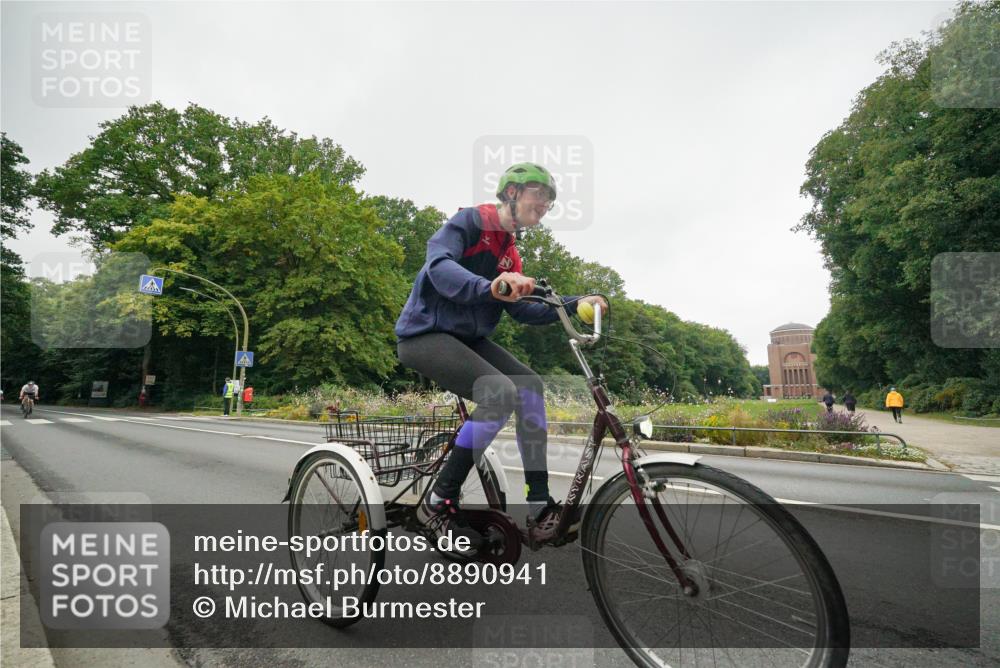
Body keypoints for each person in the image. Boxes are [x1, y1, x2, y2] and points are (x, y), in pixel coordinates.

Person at [395, 162, 607, 551]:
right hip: (425, 333)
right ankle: (437, 500)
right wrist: (488, 285)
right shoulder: (471, 222)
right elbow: (438, 267)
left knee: (528, 387)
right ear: (511, 192)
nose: (544, 205)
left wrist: (577, 303)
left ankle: (540, 503)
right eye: (538, 195)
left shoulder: (510, 254)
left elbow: (524, 308)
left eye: (549, 201)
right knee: (499, 393)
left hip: (467, 339)